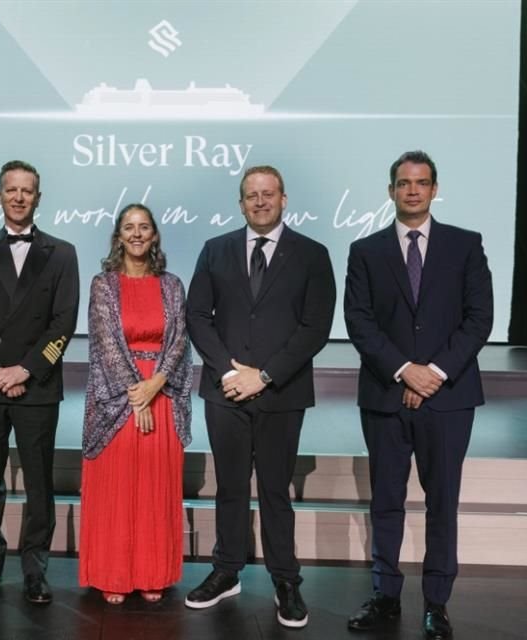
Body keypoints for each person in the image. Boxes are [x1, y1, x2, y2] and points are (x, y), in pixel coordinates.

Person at [343, 150, 492, 640]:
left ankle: (436, 602)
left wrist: (436, 373)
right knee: (386, 499)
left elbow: (478, 319)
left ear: (434, 188)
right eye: (403, 183)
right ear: (391, 191)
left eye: (421, 182)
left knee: (441, 501)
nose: (412, 190)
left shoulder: (466, 245)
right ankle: (386, 595)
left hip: (448, 399)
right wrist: (407, 372)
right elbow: (360, 324)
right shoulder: (365, 251)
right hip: (386, 396)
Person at [185, 166, 336, 628]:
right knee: (229, 486)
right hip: (225, 389)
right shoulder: (216, 250)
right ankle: (226, 571)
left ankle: (285, 580)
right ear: (241, 202)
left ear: (284, 199)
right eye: (252, 195)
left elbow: (316, 327)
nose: (261, 201)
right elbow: (197, 315)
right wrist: (232, 371)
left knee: (274, 489)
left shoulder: (312, 254)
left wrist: (265, 376)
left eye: (268, 194)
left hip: (282, 392)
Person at [0, 160, 79, 605]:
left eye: (28, 191)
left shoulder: (61, 253)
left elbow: (63, 322)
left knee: (39, 485)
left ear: (38, 198)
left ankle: (34, 571)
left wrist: (26, 369)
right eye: (12, 190)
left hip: (36, 386)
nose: (20, 197)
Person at [79, 204, 193, 605]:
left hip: (161, 399)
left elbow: (179, 341)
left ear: (155, 235)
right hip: (118, 403)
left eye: (145, 227)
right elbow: (107, 344)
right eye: (129, 227)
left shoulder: (173, 285)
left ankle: (151, 572)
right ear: (119, 236)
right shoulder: (102, 285)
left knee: (153, 489)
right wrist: (136, 394)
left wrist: (155, 385)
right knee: (119, 487)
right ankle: (112, 572)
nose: (138, 233)